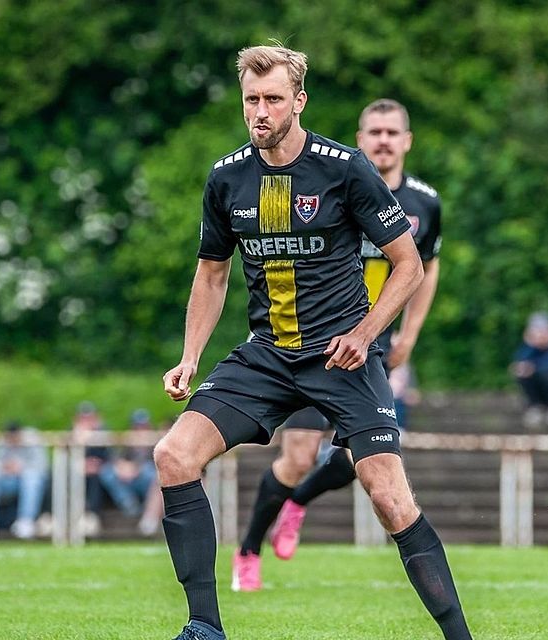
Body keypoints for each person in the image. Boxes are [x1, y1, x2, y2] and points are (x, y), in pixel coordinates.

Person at [155, 46, 471, 640]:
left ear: (298, 102)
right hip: (267, 355)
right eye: (252, 99)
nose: (261, 111)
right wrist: (190, 356)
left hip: (342, 357)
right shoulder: (227, 177)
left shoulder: (345, 167)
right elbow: (213, 272)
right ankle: (204, 628)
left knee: (388, 495)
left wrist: (366, 334)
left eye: (273, 99)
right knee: (173, 458)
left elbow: (409, 265)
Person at [233, 97, 444, 589]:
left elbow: (424, 268)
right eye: (375, 132)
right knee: (300, 454)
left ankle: (297, 504)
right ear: (360, 136)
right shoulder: (338, 182)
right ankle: (248, 549)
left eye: (393, 133)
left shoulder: (424, 204)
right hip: (312, 344)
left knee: (361, 459)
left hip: (373, 346)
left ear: (407, 141)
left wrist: (408, 335)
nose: (384, 141)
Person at [98, 408, 164, 536]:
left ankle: (150, 516)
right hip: (128, 480)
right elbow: (115, 458)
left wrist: (136, 468)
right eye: (137, 427)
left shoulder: (157, 442)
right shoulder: (127, 441)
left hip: (147, 480)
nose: (140, 430)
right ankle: (128, 504)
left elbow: (157, 464)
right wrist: (121, 467)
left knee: (151, 473)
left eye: (143, 426)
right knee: (108, 472)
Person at [71, 401, 109, 538]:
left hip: (97, 471)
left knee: (96, 477)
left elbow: (108, 456)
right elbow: (66, 457)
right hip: (75, 471)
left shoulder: (103, 432)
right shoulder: (71, 433)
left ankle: (92, 516)